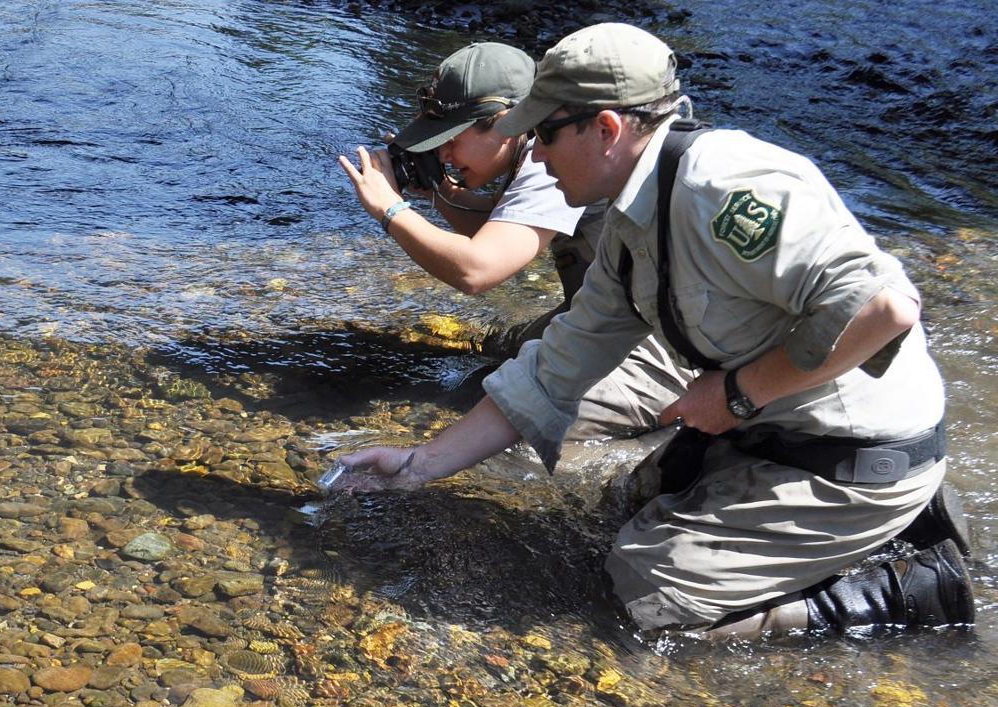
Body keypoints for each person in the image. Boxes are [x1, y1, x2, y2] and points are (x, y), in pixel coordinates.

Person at [334, 23, 975, 639]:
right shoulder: (631, 221)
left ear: (606, 129)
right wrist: (417, 466)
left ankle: (910, 590)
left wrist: (737, 395)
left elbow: (884, 308)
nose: (537, 154)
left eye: (546, 135)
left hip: (852, 457)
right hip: (770, 431)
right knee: (617, 512)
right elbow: (554, 368)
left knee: (644, 597)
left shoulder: (725, 186)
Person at [338, 41, 692, 440]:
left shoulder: (552, 160)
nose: (444, 154)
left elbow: (477, 269)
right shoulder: (545, 145)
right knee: (505, 353)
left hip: (654, 349)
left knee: (496, 413)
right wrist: (440, 193)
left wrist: (390, 209)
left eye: (452, 139)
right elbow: (501, 231)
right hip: (604, 318)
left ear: (507, 123)